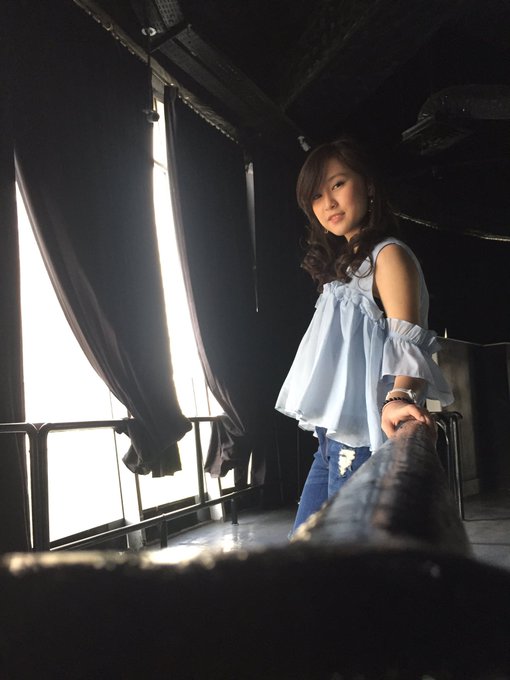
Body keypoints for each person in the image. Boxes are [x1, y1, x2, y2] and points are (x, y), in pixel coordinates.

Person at [275, 137, 453, 535]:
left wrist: (398, 396)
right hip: (331, 440)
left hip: (360, 439)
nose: (328, 203)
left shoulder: (388, 255)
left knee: (339, 553)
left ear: (368, 186)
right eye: (316, 195)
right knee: (306, 548)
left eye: (338, 184)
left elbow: (409, 338)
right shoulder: (345, 269)